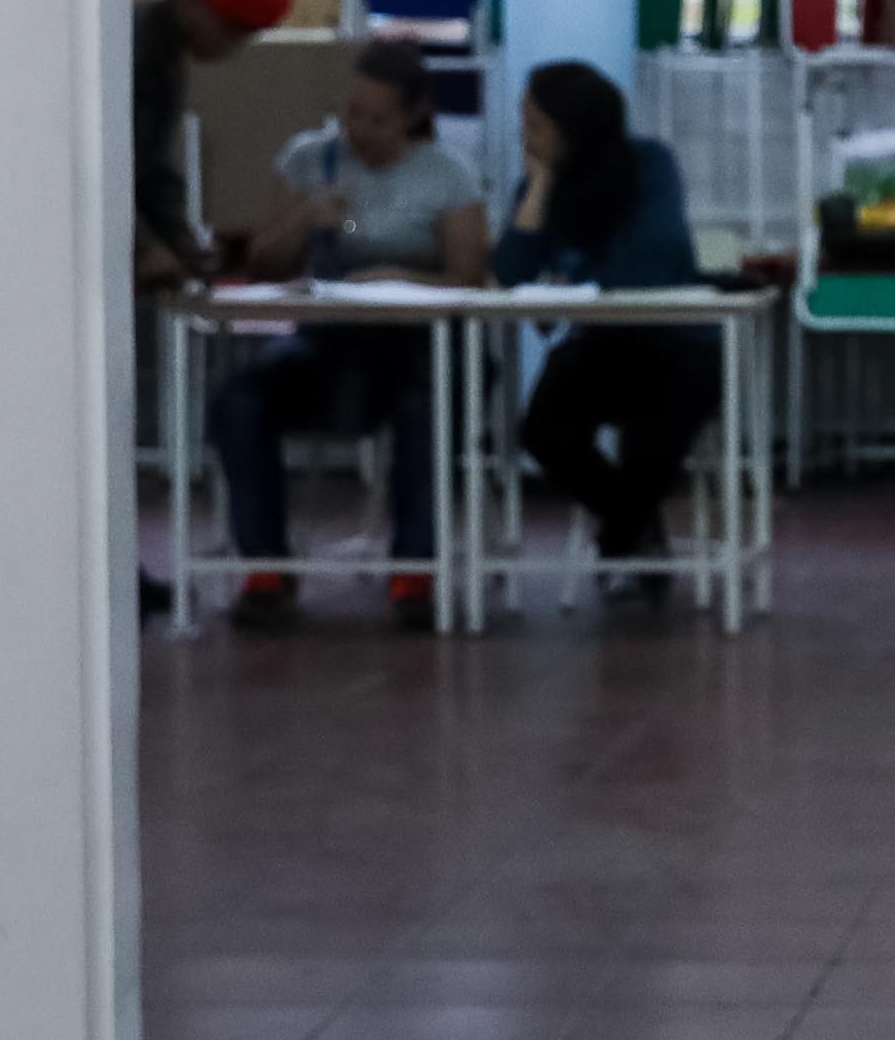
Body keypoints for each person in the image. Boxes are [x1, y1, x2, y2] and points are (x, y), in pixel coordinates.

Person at [207, 41, 487, 634]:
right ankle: (267, 565)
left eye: (378, 118)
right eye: (354, 112)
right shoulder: (311, 160)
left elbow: (467, 277)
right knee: (240, 398)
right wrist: (305, 221)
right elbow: (264, 265)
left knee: (424, 410)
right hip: (326, 344)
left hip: (414, 348)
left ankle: (415, 569)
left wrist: (397, 275)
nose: (361, 128)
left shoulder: (448, 175)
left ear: (412, 116)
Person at [497, 59, 723, 586]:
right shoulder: (538, 185)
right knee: (542, 430)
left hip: (679, 340)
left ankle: (623, 540)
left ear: (572, 124)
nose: (525, 137)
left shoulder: (650, 165)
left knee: (651, 438)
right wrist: (541, 185)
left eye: (536, 125)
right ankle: (636, 530)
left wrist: (574, 283)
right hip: (600, 341)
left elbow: (653, 257)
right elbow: (510, 271)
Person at [135, 0, 291, 612]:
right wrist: (146, 242)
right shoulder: (135, 51)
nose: (230, 51)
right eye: (234, 34)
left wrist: (178, 239)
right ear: (199, 8)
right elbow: (106, 159)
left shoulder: (162, 53)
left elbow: (154, 170)